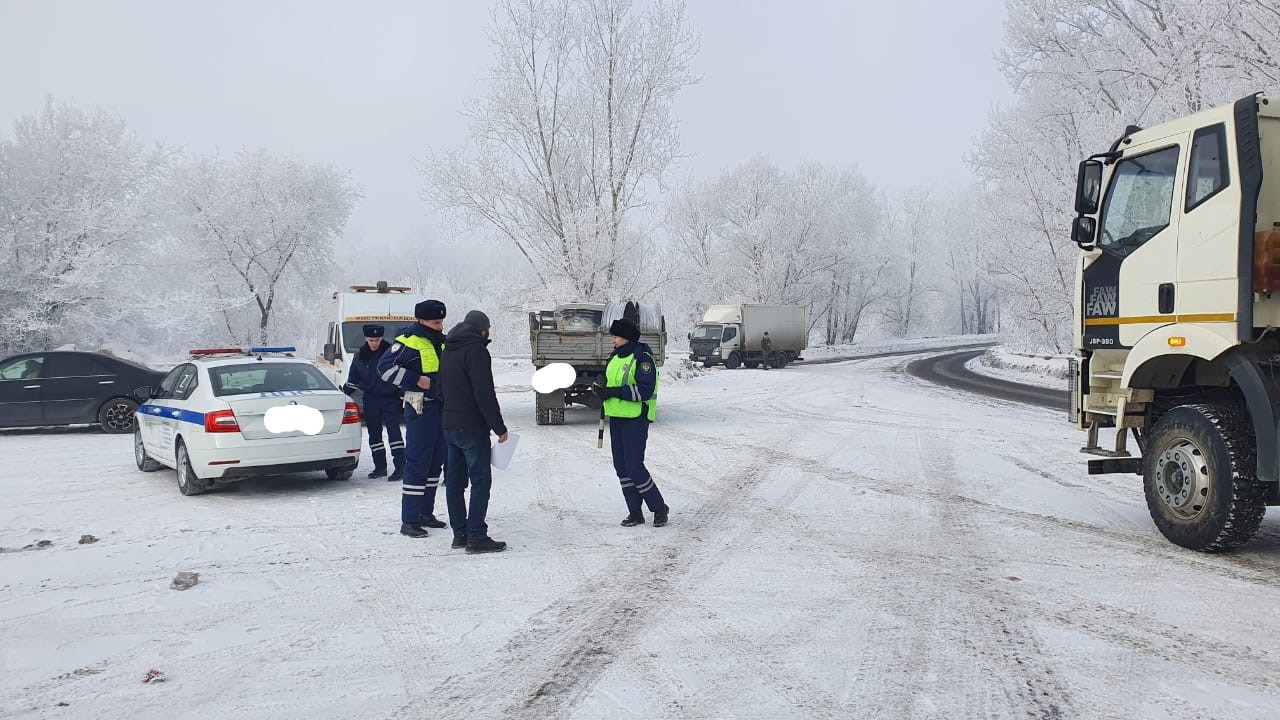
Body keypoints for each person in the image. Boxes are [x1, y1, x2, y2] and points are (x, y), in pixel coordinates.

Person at [441, 310, 510, 554]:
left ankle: (459, 535)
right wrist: (499, 427)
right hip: (471, 428)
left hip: (449, 425)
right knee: (480, 482)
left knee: (455, 483)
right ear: (483, 330)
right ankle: (477, 537)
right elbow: (484, 393)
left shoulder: (448, 349)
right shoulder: (477, 351)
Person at [378, 299, 449, 538]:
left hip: (439, 407)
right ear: (421, 320)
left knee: (435, 461)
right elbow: (385, 370)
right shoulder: (407, 342)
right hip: (419, 406)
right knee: (418, 462)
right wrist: (416, 379)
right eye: (435, 322)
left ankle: (425, 513)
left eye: (441, 322)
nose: (440, 326)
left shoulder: (440, 341)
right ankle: (409, 520)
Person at [592, 317, 669, 527]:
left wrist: (614, 391)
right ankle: (635, 512)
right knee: (622, 468)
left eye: (616, 337)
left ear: (626, 338)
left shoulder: (643, 359)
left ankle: (659, 508)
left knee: (634, 467)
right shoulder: (615, 357)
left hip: (636, 418)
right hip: (616, 417)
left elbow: (644, 390)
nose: (613, 341)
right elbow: (611, 381)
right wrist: (600, 387)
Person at [342, 324, 405, 480]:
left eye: (377, 340)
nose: (374, 343)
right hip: (370, 399)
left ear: (382, 338)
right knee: (374, 434)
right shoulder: (359, 357)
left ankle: (401, 467)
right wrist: (342, 395)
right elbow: (353, 380)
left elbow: (401, 375)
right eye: (371, 340)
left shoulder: (391, 353)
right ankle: (380, 467)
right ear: (366, 339)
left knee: (394, 433)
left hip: (390, 398)